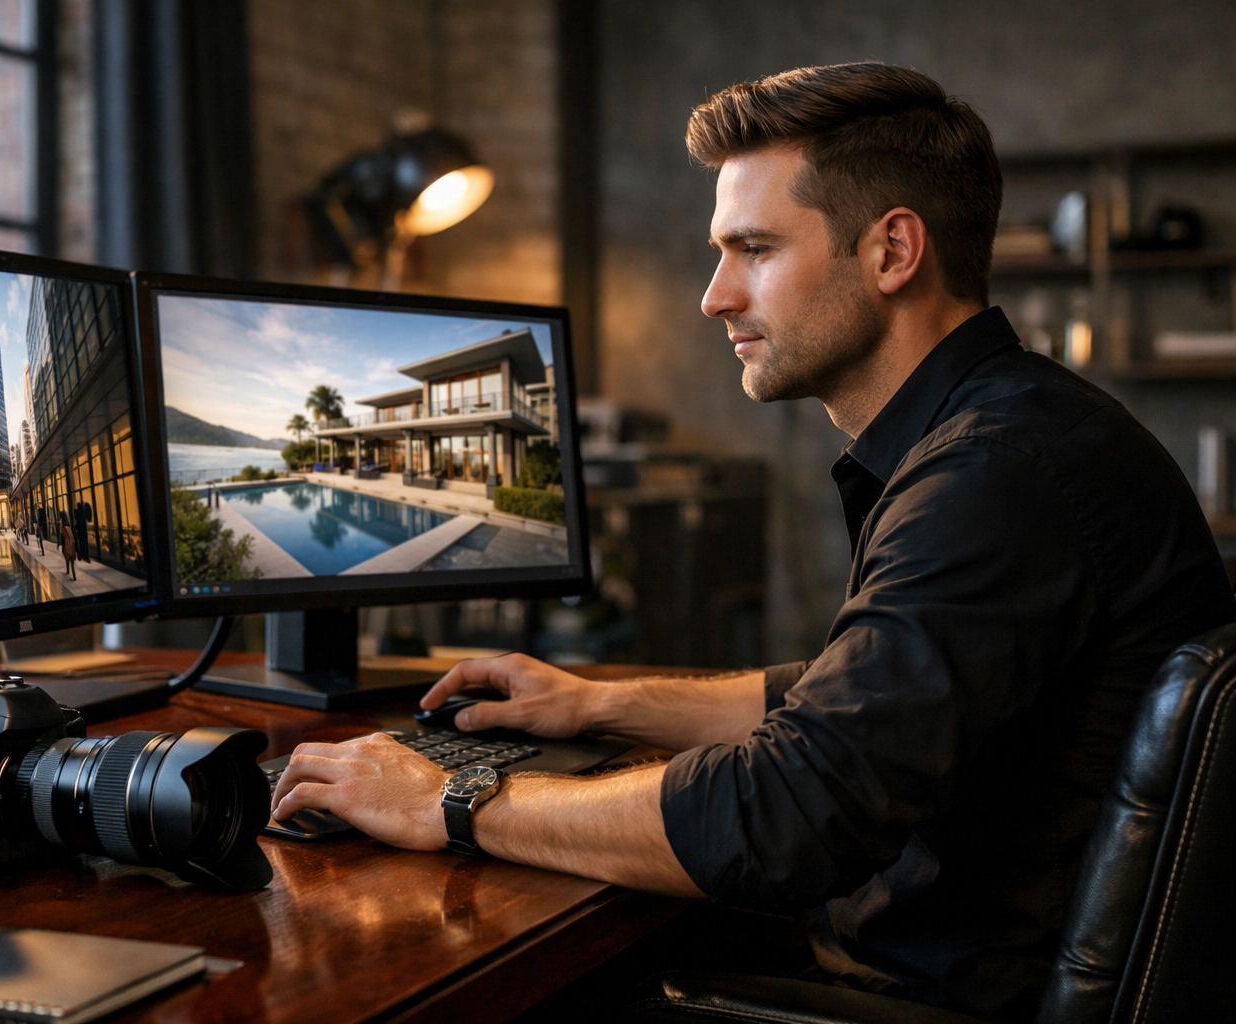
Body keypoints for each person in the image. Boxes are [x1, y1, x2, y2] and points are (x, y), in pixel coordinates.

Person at [270, 63, 1236, 1021]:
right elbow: (854, 705)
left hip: (931, 996)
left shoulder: (998, 475)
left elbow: (788, 815)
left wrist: (446, 797)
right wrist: (600, 705)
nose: (715, 296)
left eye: (755, 248)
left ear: (893, 251)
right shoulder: (1011, 434)